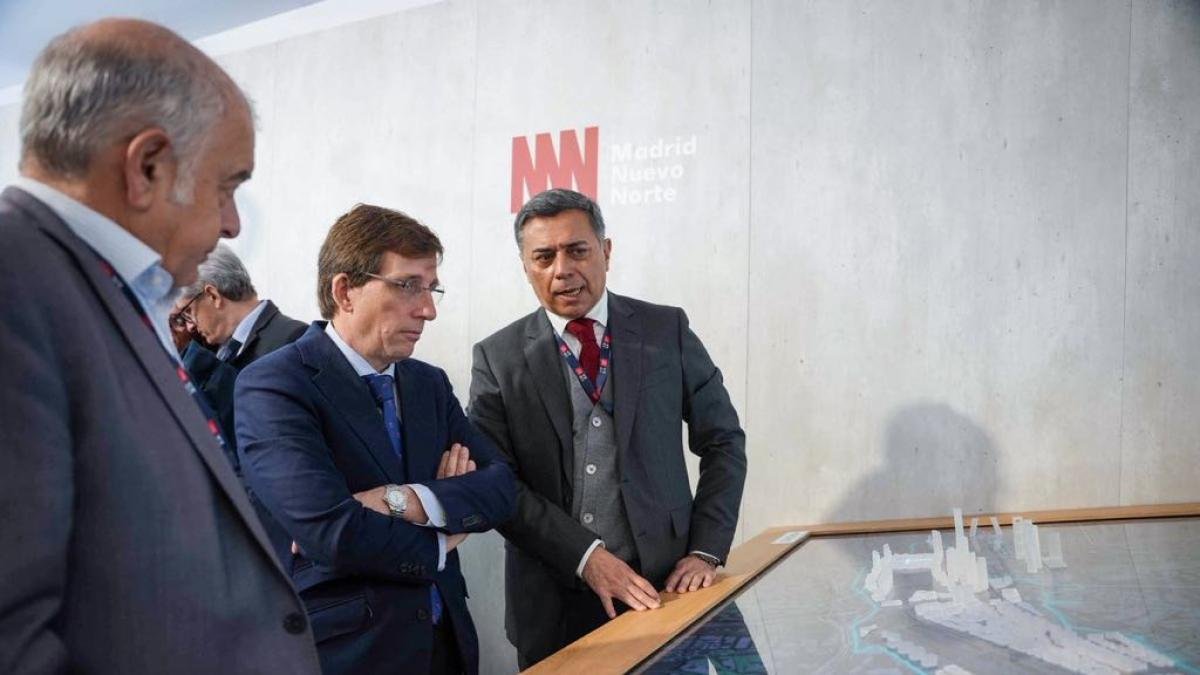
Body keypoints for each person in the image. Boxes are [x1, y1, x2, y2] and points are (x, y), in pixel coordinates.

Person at [0, 19, 321, 674]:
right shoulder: (17, 289)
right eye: (227, 186)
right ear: (147, 166)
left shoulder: (101, 290)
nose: (232, 222)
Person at [469, 188, 748, 667]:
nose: (562, 270)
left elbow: (723, 441)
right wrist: (586, 557)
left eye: (577, 250)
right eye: (544, 257)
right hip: (552, 608)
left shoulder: (666, 330)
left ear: (606, 251)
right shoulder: (497, 357)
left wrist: (705, 551)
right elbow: (495, 483)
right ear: (525, 266)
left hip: (666, 589)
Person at [236, 203, 516, 675]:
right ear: (344, 291)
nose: (427, 310)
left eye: (431, 288)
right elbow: (333, 533)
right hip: (350, 654)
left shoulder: (428, 383)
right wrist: (442, 535)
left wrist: (401, 500)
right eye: (407, 285)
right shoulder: (275, 385)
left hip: (446, 647)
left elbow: (501, 487)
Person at [169, 243, 306, 463]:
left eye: (188, 313)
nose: (190, 326)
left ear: (213, 295)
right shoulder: (216, 352)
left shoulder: (293, 340)